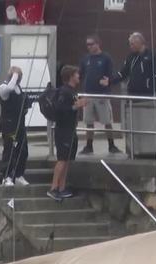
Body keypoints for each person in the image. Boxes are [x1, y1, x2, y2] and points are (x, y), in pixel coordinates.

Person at [48, 65, 87, 201]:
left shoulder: (72, 91)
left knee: (68, 159)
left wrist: (78, 106)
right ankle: (54, 188)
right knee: (62, 159)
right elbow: (60, 109)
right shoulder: (64, 92)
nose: (79, 77)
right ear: (70, 76)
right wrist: (75, 106)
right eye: (76, 74)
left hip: (71, 129)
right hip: (63, 129)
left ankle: (62, 187)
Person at [79, 35, 120, 155]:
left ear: (98, 44)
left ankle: (111, 145)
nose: (89, 47)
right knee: (88, 122)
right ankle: (89, 145)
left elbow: (111, 75)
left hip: (102, 94)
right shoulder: (85, 59)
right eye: (87, 44)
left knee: (107, 121)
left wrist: (107, 83)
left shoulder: (106, 58)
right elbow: (80, 74)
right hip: (88, 94)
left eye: (91, 44)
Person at [0, 66, 32, 186]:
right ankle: (6, 176)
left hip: (20, 125)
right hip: (9, 125)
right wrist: (15, 74)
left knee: (22, 150)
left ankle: (18, 174)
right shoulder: (4, 87)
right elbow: (10, 88)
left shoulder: (19, 88)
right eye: (18, 76)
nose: (19, 78)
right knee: (10, 149)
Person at [102, 32, 156, 96]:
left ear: (139, 43)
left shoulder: (152, 56)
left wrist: (150, 85)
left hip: (147, 94)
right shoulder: (131, 57)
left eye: (132, 44)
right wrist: (110, 81)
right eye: (130, 44)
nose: (130, 46)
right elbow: (123, 73)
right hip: (132, 93)